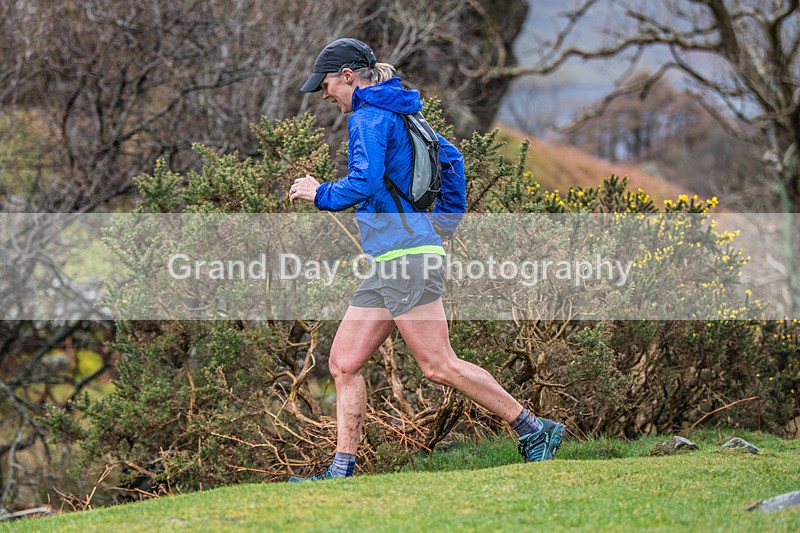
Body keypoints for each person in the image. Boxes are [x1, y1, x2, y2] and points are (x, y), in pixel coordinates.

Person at [287, 38, 565, 482]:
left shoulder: (368, 116)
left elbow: (363, 181)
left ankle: (534, 429)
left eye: (325, 85)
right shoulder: (400, 109)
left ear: (347, 77)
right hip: (394, 257)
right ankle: (341, 471)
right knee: (343, 362)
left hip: (405, 257)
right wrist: (443, 227)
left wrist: (318, 192)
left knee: (438, 365)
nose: (324, 95)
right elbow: (451, 160)